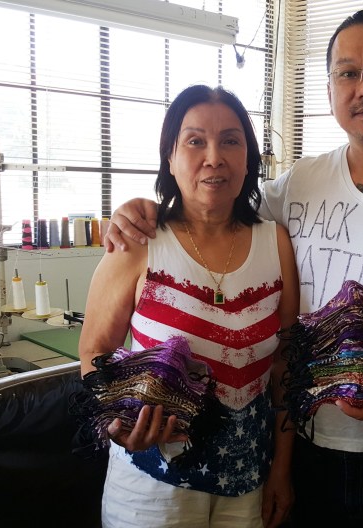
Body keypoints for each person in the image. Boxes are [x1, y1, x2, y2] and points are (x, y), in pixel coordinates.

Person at [103, 9, 363, 528]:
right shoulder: (297, 186)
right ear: (330, 91)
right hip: (307, 449)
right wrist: (139, 210)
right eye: (348, 72)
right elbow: (214, 203)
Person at [78, 84, 299, 528]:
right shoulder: (137, 244)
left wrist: (281, 470)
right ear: (170, 156)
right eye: (195, 140)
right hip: (151, 488)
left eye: (231, 141)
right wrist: (117, 424)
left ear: (249, 158)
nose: (214, 157)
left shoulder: (275, 242)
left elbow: (285, 368)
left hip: (246, 482)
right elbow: (93, 353)